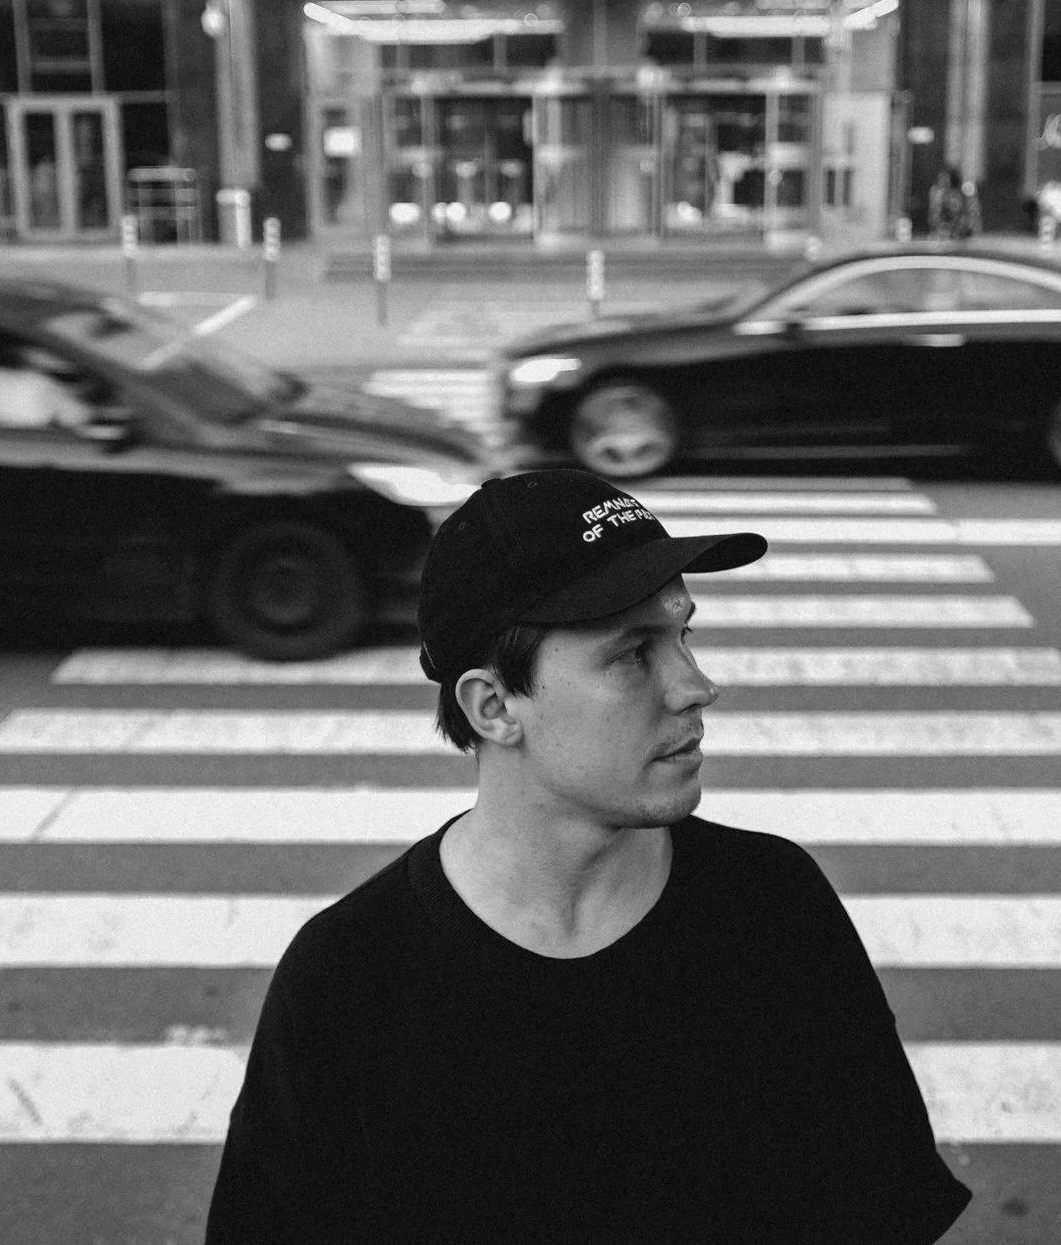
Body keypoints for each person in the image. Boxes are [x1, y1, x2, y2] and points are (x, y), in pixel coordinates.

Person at [207, 468, 972, 1244]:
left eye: (685, 635)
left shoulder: (772, 907)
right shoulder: (353, 977)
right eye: (634, 653)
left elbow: (880, 1208)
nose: (696, 687)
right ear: (496, 706)